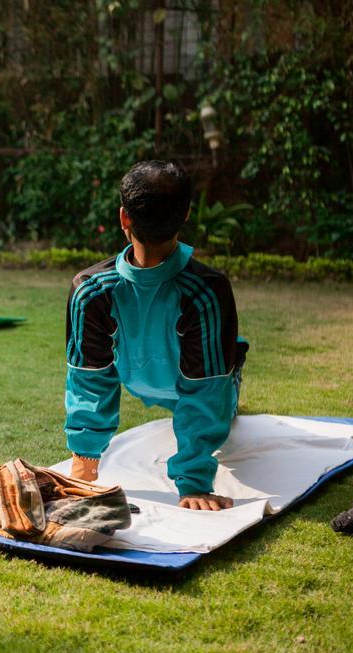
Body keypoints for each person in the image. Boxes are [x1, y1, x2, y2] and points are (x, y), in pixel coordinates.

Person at [63, 160, 247, 511]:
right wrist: (84, 466)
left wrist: (193, 482)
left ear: (123, 218)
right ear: (187, 215)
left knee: (218, 402)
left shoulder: (204, 292)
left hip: (211, 385)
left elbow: (207, 391)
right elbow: (91, 378)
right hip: (142, 377)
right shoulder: (94, 290)